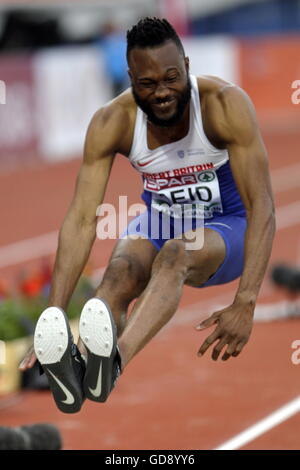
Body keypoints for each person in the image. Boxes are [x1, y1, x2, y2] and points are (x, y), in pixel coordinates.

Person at [19, 17, 275, 413]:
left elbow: (263, 207)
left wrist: (246, 301)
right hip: (162, 221)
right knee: (118, 273)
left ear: (187, 65)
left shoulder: (224, 105)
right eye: (147, 83)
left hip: (228, 226)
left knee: (176, 253)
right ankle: (82, 362)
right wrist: (54, 312)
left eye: (171, 78)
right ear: (130, 77)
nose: (162, 93)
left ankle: (115, 361)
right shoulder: (112, 121)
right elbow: (82, 219)